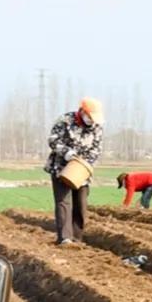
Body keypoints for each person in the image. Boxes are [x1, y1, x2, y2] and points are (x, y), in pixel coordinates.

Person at [45, 97, 105, 245]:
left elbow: (96, 149)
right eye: (89, 117)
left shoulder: (97, 127)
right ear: (83, 112)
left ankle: (77, 238)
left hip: (82, 170)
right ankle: (65, 238)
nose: (91, 121)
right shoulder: (65, 121)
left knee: (81, 204)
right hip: (61, 167)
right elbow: (53, 140)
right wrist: (67, 153)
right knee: (63, 203)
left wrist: (85, 163)